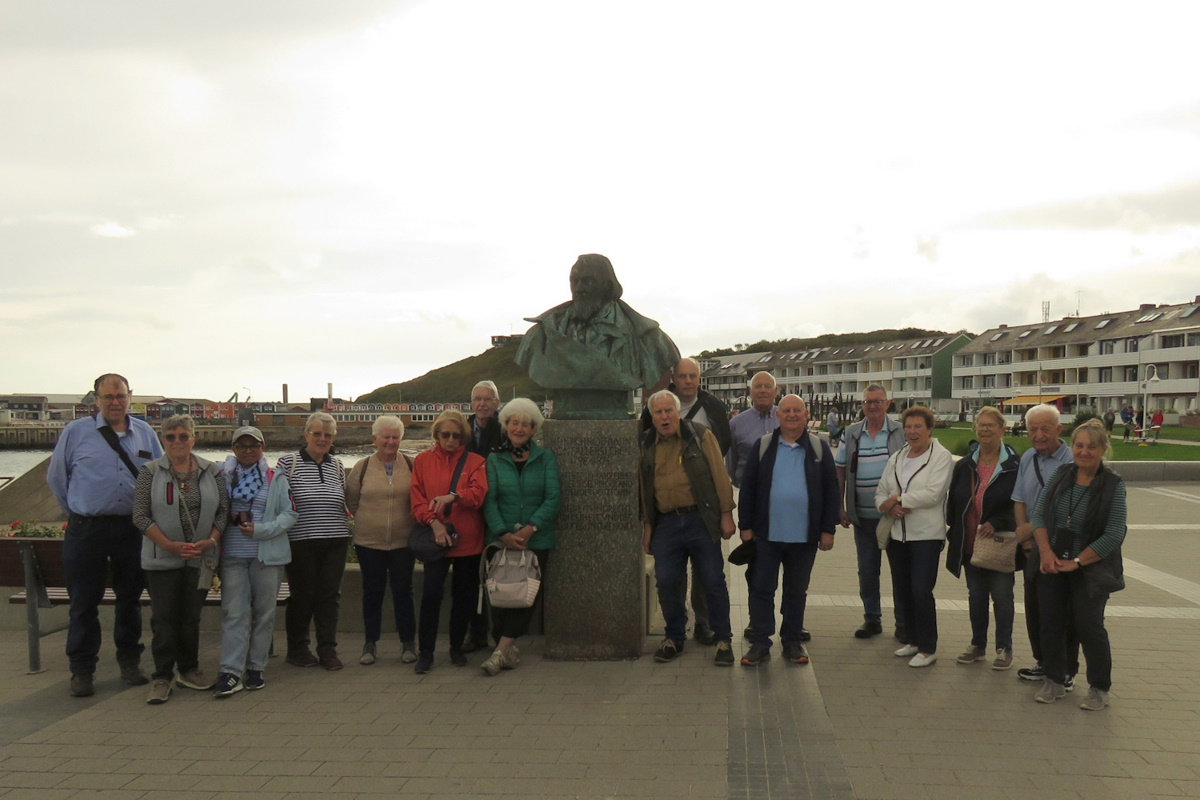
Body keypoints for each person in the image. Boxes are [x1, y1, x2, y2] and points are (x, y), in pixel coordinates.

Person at [46, 373, 161, 698]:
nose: (115, 402)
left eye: (120, 396)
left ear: (130, 397)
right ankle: (82, 670)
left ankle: (129, 662)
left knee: (130, 600)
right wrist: (80, 509)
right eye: (108, 397)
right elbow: (57, 478)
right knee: (84, 602)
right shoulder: (76, 432)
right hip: (87, 529)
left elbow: (157, 475)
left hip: (131, 528)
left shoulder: (145, 433)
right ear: (96, 399)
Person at [1031, 419, 1127, 710]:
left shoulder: (1113, 485)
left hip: (1090, 567)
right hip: (1053, 561)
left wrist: (1077, 561)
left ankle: (1099, 688)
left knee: (1089, 627)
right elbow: (1038, 516)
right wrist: (1046, 552)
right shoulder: (1062, 474)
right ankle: (1055, 680)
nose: (1083, 452)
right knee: (1050, 623)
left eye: (1091, 447)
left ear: (1102, 450)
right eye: (1079, 446)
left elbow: (1114, 534)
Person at [737, 395, 839, 666]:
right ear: (777, 415)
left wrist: (828, 530)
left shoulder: (819, 448)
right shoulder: (764, 446)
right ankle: (760, 643)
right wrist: (745, 526)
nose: (792, 415)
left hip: (804, 537)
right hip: (766, 536)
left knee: (796, 591)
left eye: (797, 410)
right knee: (761, 589)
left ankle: (792, 642)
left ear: (806, 415)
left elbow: (831, 491)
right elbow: (748, 489)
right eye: (786, 411)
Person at [133, 415, 228, 704]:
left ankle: (189, 669)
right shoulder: (149, 472)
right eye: (171, 436)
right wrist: (170, 545)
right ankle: (162, 676)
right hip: (162, 560)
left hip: (200, 560)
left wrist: (211, 540)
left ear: (193, 438)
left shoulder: (211, 471)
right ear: (163, 440)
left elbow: (223, 511)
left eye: (183, 436)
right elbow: (139, 515)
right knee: (164, 619)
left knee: (190, 618)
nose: (177, 441)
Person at [639, 390, 737, 667]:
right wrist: (648, 526)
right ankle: (674, 637)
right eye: (658, 412)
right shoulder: (647, 443)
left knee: (712, 581)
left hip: (700, 520)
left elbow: (720, 474)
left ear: (678, 412)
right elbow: (645, 489)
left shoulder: (700, 435)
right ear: (653, 417)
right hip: (666, 523)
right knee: (667, 581)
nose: (664, 416)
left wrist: (726, 513)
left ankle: (722, 639)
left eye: (669, 410)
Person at [515, 253, 680, 392]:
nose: (579, 288)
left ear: (608, 286)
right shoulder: (540, 335)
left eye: (587, 281)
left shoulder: (650, 339)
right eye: (575, 281)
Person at [213, 426, 297, 697]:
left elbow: (289, 515)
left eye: (253, 445)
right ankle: (230, 670)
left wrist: (261, 529)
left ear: (263, 447)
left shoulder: (276, 478)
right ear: (234, 449)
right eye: (242, 445)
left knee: (263, 615)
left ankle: (256, 667)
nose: (247, 450)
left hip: (267, 556)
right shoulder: (222, 476)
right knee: (234, 614)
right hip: (233, 557)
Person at [480, 398, 561, 675]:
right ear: (506, 425)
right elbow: (488, 500)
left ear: (533, 428)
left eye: (525, 424)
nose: (519, 428)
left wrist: (529, 529)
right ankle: (506, 649)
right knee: (500, 596)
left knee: (525, 597)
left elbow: (552, 498)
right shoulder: (494, 459)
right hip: (500, 541)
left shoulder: (545, 457)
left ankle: (499, 652)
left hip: (535, 541)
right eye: (514, 422)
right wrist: (503, 533)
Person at [409, 409, 488, 674]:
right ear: (437, 435)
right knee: (431, 596)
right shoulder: (422, 461)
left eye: (456, 435)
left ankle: (456, 647)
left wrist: (453, 496)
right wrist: (434, 523)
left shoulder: (476, 462)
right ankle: (426, 652)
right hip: (436, 539)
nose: (451, 440)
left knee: (463, 598)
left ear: (463, 436)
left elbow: (478, 495)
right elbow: (417, 500)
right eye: (445, 435)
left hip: (468, 541)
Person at [875, 406, 953, 668]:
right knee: (903, 590)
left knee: (921, 590)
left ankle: (929, 648)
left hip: (926, 537)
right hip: (897, 536)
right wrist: (887, 506)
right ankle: (913, 640)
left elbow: (934, 494)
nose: (912, 432)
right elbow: (880, 493)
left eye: (918, 426)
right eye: (908, 427)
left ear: (930, 429)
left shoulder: (940, 457)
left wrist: (898, 498)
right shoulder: (897, 457)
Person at [944, 407, 1021, 671]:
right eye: (981, 425)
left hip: (999, 542)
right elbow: (954, 499)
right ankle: (978, 645)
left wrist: (998, 522)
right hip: (969, 542)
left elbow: (1021, 504)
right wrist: (952, 529)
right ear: (975, 429)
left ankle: (1004, 648)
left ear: (1002, 429)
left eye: (991, 425)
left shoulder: (1013, 465)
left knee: (1002, 596)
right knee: (976, 595)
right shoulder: (966, 464)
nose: (985, 429)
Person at [277, 412, 350, 671]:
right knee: (303, 596)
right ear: (306, 434)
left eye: (327, 435)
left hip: (336, 539)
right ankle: (297, 649)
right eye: (317, 433)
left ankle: (327, 650)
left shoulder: (338, 466)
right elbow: (277, 502)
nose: (322, 439)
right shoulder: (288, 463)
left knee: (329, 597)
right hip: (301, 541)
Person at [1011, 404, 1077, 686]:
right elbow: (1019, 500)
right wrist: (1026, 539)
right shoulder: (1028, 457)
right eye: (1032, 429)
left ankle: (1065, 670)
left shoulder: (1073, 461)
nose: (1038, 435)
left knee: (1061, 612)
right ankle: (1043, 661)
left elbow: (1070, 509)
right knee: (1035, 607)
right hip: (1032, 548)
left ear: (1059, 430)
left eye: (1045, 429)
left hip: (1060, 547)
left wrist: (1030, 529)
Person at [835, 384, 905, 640]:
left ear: (888, 404)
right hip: (863, 517)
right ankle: (872, 618)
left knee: (899, 572)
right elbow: (840, 469)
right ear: (862, 405)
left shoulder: (900, 431)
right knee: (867, 571)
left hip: (895, 517)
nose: (872, 406)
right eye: (868, 402)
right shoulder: (851, 433)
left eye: (878, 401)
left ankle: (903, 622)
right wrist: (839, 505)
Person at [346, 416, 417, 667]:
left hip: (403, 542)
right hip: (369, 542)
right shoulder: (362, 467)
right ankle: (370, 643)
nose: (390, 441)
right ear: (374, 439)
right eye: (385, 437)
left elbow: (419, 499)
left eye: (395, 437)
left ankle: (408, 643)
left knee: (403, 592)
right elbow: (352, 502)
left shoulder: (411, 464)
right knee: (372, 593)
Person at [463, 380, 503, 651]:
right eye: (478, 399)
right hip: (466, 510)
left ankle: (502, 638)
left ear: (497, 404)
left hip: (497, 508)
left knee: (500, 578)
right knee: (470, 577)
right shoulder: (461, 430)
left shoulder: (506, 429)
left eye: (488, 399)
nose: (482, 404)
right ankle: (475, 633)